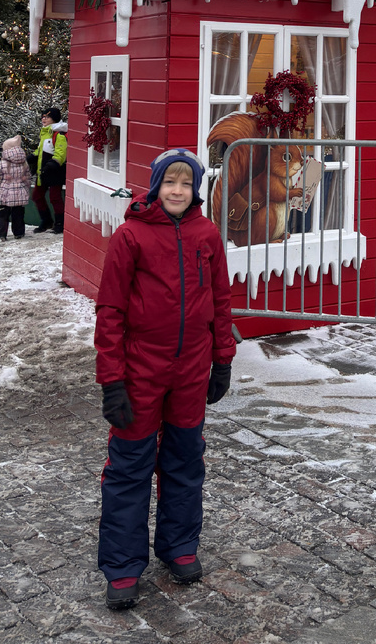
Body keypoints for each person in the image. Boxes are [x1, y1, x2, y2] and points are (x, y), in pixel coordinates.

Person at [94, 147, 236, 611]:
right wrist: (111, 380)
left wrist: (223, 360)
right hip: (140, 371)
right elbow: (111, 310)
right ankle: (122, 567)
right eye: (170, 182)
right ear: (155, 186)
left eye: (186, 183)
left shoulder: (207, 234)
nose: (178, 191)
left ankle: (178, 546)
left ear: (196, 189)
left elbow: (220, 302)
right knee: (130, 467)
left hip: (191, 371)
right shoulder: (131, 236)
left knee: (184, 461)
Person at [0, 135, 33, 240]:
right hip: (20, 192)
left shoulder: (1, 164)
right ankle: (19, 233)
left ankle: (0, 234)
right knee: (18, 214)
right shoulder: (24, 163)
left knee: (3, 214)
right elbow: (28, 179)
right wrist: (26, 190)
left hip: (5, 193)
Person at [31, 107, 67, 234]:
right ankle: (46, 221)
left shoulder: (59, 134)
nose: (43, 119)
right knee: (37, 196)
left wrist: (53, 163)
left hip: (54, 172)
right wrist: (32, 156)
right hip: (43, 171)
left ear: (54, 119)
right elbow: (41, 150)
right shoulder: (45, 132)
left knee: (55, 198)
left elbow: (61, 152)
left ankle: (60, 223)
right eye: (43, 116)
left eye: (47, 116)